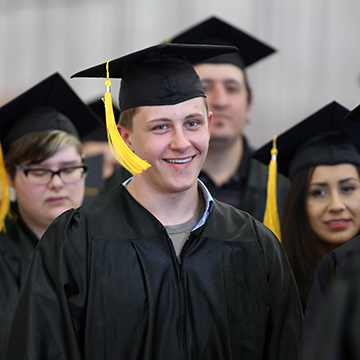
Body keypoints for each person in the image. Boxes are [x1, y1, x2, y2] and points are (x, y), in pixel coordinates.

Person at [4, 44, 303, 360]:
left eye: (192, 123)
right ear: (126, 137)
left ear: (209, 123)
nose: (181, 143)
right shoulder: (76, 242)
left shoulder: (254, 242)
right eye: (161, 126)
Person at [0, 72, 102, 356]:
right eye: (40, 170)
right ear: (10, 175)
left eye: (69, 168)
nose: (57, 182)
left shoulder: (112, 250)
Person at [164, 16, 290, 221]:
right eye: (205, 88)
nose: (221, 101)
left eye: (232, 88)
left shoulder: (283, 185)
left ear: (249, 104)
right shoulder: (143, 179)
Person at [253, 101, 360, 310]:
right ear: (299, 203)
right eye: (318, 192)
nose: (336, 205)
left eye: (347, 189)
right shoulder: (273, 284)